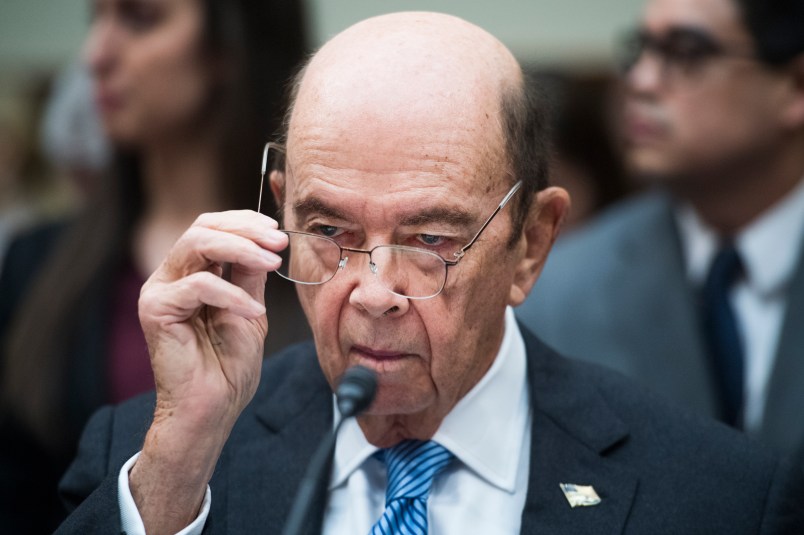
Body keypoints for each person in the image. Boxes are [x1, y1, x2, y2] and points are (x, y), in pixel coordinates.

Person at [56, 12, 803, 535]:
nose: (374, 292)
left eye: (430, 239)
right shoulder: (159, 458)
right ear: (280, 213)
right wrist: (177, 474)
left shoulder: (717, 494)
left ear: (532, 244)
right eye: (329, 231)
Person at [0, 0, 308, 532]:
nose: (96, 55)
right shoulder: (39, 260)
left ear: (228, 46)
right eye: (95, 20)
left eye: (141, 19)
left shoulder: (316, 262)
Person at [517, 0, 804, 458]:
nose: (642, 81)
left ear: (794, 86)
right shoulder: (558, 291)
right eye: (642, 50)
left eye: (687, 52)